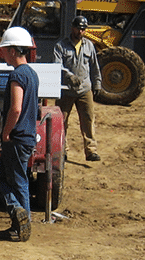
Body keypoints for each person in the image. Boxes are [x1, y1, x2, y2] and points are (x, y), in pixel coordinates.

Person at [0, 27, 40, 242]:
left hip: (16, 138)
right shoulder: (32, 73)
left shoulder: (17, 75)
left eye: (3, 50)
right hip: (27, 136)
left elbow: (16, 108)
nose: (1, 53)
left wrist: (6, 132)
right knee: (3, 177)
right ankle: (18, 223)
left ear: (12, 50)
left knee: (16, 181)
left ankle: (20, 217)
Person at [54, 15, 102, 162]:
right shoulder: (60, 46)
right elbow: (57, 66)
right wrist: (69, 76)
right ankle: (63, 150)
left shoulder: (89, 46)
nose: (81, 31)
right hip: (65, 90)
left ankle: (91, 151)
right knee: (61, 121)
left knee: (88, 120)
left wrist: (97, 83)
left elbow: (94, 67)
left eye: (83, 29)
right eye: (78, 28)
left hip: (84, 90)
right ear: (72, 28)